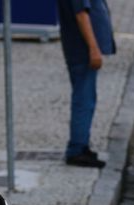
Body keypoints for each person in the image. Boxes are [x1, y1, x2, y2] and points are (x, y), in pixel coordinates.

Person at [56, 0, 116, 168]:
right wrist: (93, 48)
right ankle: (77, 149)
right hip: (81, 50)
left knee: (87, 98)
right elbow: (81, 15)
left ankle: (82, 144)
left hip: (79, 49)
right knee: (84, 100)